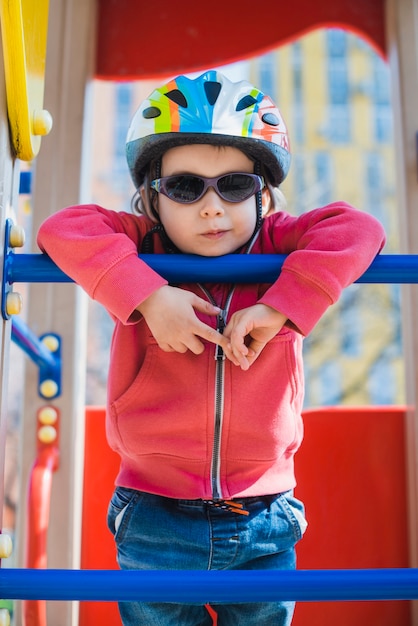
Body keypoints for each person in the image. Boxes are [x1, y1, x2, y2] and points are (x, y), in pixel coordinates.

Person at [37, 70, 386, 626]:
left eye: (234, 185)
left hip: (264, 510)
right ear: (152, 198)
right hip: (155, 510)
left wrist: (279, 306)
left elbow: (358, 227)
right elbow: (63, 227)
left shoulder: (278, 246)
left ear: (263, 195)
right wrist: (149, 295)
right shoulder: (142, 246)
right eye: (184, 187)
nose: (211, 207)